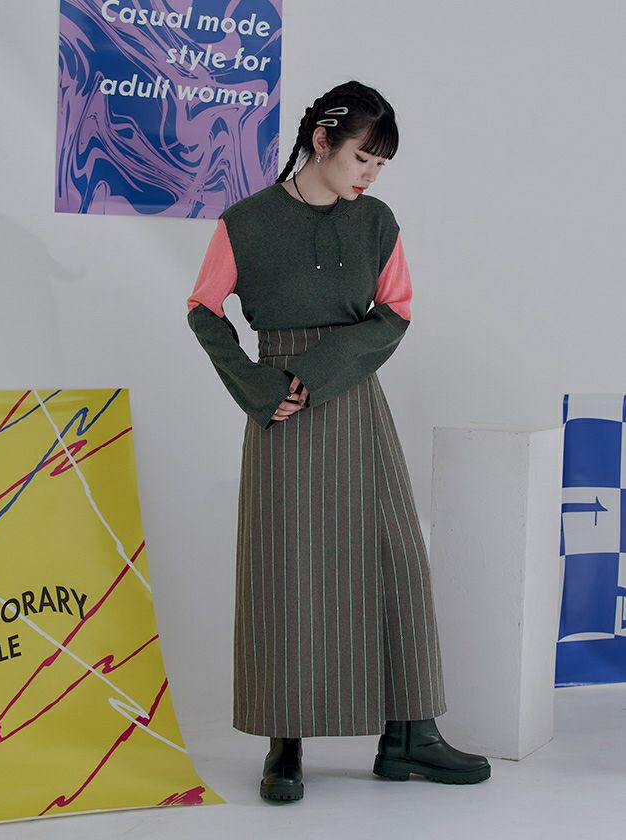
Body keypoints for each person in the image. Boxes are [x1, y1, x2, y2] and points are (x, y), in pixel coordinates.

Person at [186, 80, 490, 802]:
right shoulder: (245, 223)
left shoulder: (376, 221)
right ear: (322, 141)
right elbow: (203, 307)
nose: (370, 175)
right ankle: (284, 744)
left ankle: (410, 736)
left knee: (398, 560)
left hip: (354, 401)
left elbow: (396, 311)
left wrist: (318, 373)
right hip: (280, 414)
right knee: (286, 573)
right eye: (363, 158)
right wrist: (260, 387)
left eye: (381, 164)